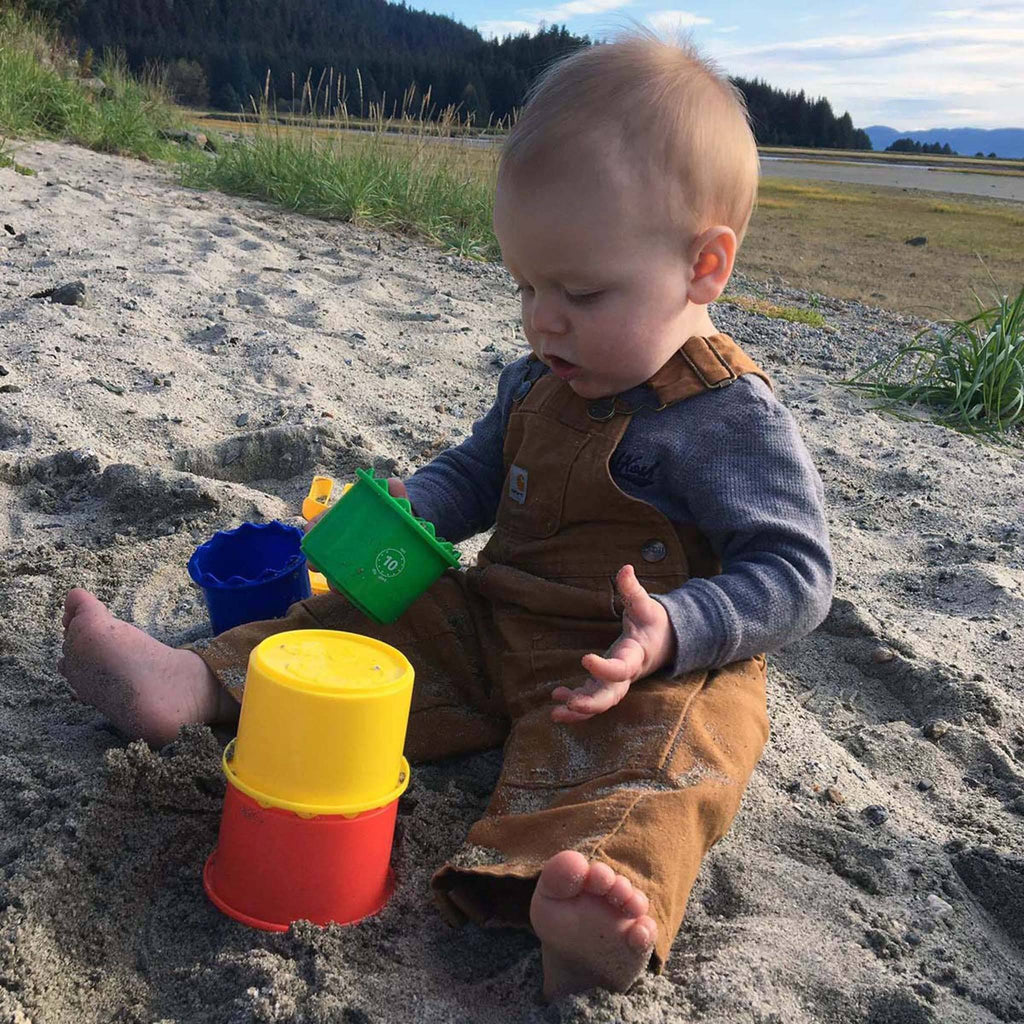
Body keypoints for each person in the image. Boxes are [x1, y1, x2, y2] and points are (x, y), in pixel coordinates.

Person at [60, 31, 833, 1000]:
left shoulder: (725, 416)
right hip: (495, 623)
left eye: (580, 292)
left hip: (632, 671)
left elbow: (799, 574)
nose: (541, 320)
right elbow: (473, 475)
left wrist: (676, 627)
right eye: (525, 285)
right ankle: (191, 679)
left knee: (673, 759)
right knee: (379, 618)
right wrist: (389, 518)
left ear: (703, 266)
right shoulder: (539, 375)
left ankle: (594, 908)